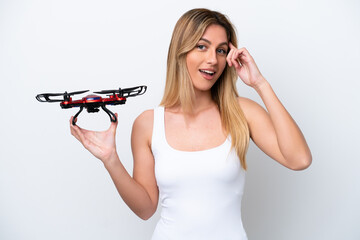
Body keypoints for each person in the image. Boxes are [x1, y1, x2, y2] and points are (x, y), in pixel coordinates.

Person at [70, 8, 312, 240]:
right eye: (201, 46)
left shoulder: (241, 112)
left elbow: (299, 159)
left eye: (220, 50)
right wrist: (110, 159)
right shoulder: (148, 123)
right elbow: (145, 209)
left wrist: (260, 83)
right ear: (181, 51)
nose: (212, 60)